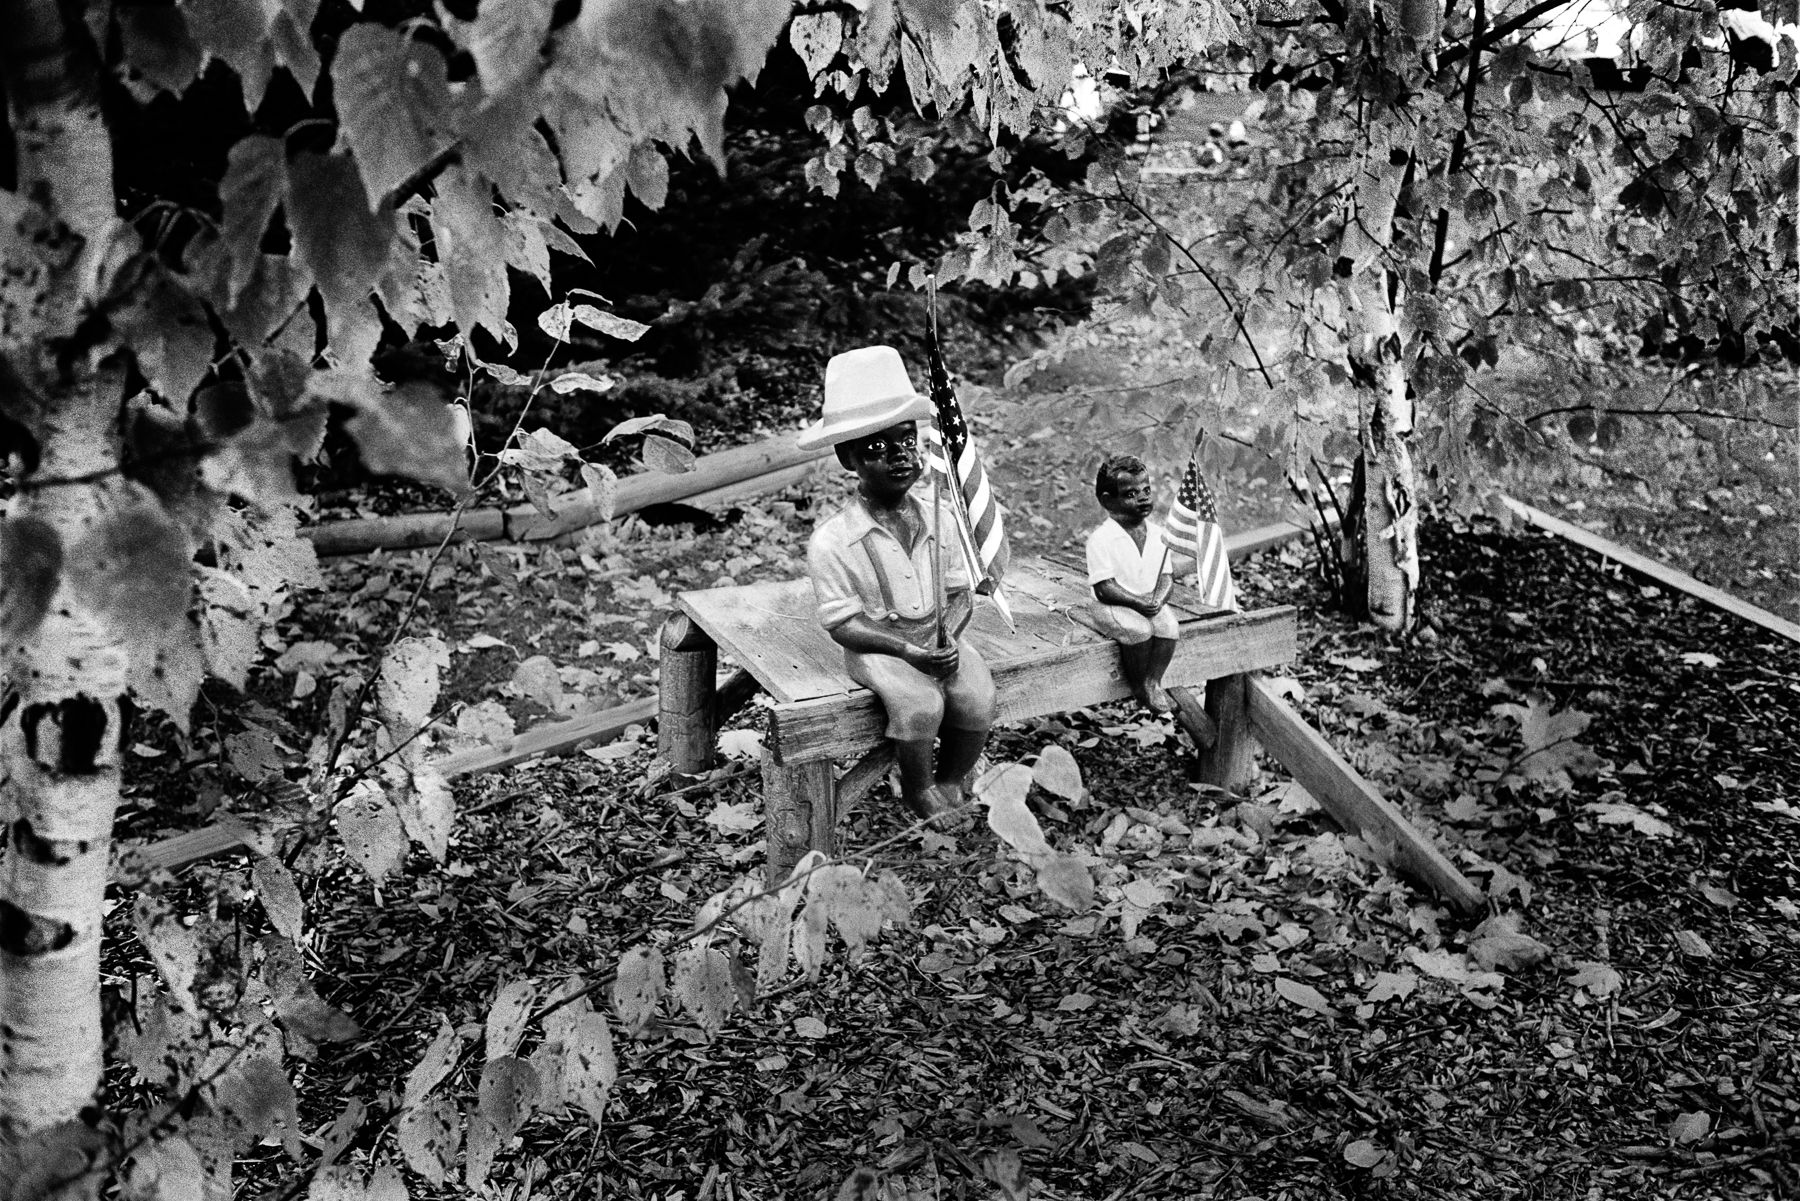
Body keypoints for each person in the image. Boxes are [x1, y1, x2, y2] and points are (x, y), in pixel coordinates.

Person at [797, 346, 997, 819]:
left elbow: (958, 592)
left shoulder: (940, 518)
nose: (900, 457)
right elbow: (843, 623)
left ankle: (951, 777)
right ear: (849, 459)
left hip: (937, 636)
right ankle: (918, 786)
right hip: (881, 647)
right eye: (876, 449)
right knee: (920, 702)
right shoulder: (834, 540)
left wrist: (950, 633)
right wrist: (907, 651)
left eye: (907, 441)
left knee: (976, 694)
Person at [1085, 453, 1178, 713]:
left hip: (1148, 599)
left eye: (1146, 489)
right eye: (1130, 494)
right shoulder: (1101, 540)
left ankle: (1153, 681)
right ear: (1108, 501)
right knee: (1138, 630)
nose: (1144, 497)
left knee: (1168, 625)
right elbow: (1104, 588)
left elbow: (1166, 576)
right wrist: (1137, 602)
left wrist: (1159, 599)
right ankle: (1138, 685)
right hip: (1113, 605)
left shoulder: (1159, 535)